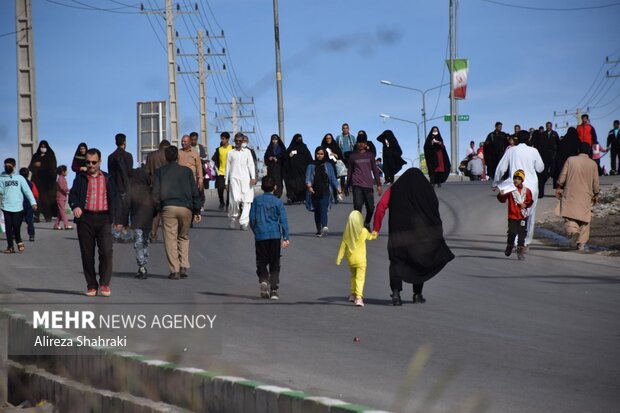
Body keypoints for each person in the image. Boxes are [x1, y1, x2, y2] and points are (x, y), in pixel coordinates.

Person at [373, 168, 454, 306]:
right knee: (419, 260)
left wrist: (376, 228)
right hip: (420, 234)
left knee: (396, 261)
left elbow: (381, 206)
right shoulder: (426, 190)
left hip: (398, 233)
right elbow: (434, 210)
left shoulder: (396, 188)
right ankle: (417, 295)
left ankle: (396, 294)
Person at [68, 148, 119, 297]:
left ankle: (104, 284)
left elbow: (115, 199)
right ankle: (91, 285)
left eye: (94, 162)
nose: (90, 165)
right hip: (85, 220)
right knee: (87, 254)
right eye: (88, 162)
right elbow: (73, 196)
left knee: (107, 251)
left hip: (104, 219)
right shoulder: (80, 178)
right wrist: (75, 206)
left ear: (100, 162)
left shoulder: (108, 178)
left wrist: (118, 219)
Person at [152, 146, 202, 279]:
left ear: (166, 158)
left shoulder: (160, 172)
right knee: (183, 237)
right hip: (186, 208)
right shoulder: (187, 171)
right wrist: (197, 210)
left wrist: (156, 208)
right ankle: (184, 266)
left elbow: (155, 193)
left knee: (170, 239)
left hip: (168, 208)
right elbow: (194, 192)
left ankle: (174, 270)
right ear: (178, 157)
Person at [493, 130, 544, 246]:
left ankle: (516, 240)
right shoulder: (533, 151)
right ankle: (526, 241)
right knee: (529, 214)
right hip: (531, 187)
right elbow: (540, 168)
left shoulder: (511, 151)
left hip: (515, 186)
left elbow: (501, 168)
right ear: (529, 139)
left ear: (516, 138)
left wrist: (495, 182)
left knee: (515, 213)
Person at [249, 176, 290, 300]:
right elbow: (283, 220)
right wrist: (286, 237)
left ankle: (263, 280)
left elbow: (252, 219)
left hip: (261, 236)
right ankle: (273, 290)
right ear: (275, 188)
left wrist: (256, 232)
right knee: (274, 262)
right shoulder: (277, 202)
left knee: (261, 261)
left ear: (261, 188)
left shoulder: (256, 201)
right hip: (274, 236)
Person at [555, 142, 600, 251]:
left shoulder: (571, 160)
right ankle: (581, 243)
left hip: (570, 192)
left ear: (578, 150)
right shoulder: (592, 164)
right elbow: (595, 182)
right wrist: (596, 193)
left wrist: (559, 186)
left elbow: (563, 176)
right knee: (584, 219)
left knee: (570, 215)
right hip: (586, 194)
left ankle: (573, 232)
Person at [119, 165, 156, 279]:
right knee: (145, 242)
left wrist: (124, 222)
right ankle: (144, 262)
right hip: (148, 220)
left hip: (137, 221)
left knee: (138, 243)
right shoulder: (150, 190)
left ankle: (142, 266)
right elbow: (156, 205)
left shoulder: (132, 190)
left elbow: (125, 207)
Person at [336, 210, 378, 307]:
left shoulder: (347, 233)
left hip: (351, 260)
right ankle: (359, 297)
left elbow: (343, 246)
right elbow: (371, 237)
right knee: (360, 278)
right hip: (361, 261)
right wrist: (375, 234)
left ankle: (352, 294)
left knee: (353, 276)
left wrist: (339, 259)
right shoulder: (363, 231)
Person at [346, 132, 383, 229]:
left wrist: (379, 184)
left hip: (368, 185)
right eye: (359, 142)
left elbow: (375, 170)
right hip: (356, 184)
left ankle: (366, 222)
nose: (361, 144)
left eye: (363, 142)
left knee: (371, 208)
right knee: (357, 206)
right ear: (356, 143)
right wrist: (346, 186)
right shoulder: (353, 156)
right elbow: (349, 172)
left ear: (366, 144)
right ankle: (358, 227)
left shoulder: (370, 155)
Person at [1, 158, 37, 254]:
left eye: (9, 166)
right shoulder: (2, 178)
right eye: (5, 165)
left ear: (14, 167)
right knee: (8, 228)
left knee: (16, 226)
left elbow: (27, 191)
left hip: (18, 207)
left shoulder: (20, 178)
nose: (7, 167)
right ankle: (10, 247)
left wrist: (33, 203)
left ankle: (18, 240)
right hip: (6, 206)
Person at [305, 147, 342, 237]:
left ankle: (324, 226)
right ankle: (319, 229)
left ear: (324, 154)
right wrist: (309, 186)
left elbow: (332, 178)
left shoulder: (328, 165)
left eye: (321, 154)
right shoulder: (311, 165)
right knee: (316, 211)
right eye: (318, 153)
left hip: (325, 191)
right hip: (314, 192)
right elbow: (308, 177)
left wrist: (338, 188)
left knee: (323, 209)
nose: (319, 155)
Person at [497, 169, 533, 260]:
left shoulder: (527, 191)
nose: (516, 180)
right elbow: (502, 199)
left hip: (522, 216)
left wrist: (526, 204)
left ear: (522, 180)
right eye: (515, 178)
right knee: (512, 232)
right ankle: (510, 245)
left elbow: (530, 201)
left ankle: (520, 250)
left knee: (522, 233)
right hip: (512, 215)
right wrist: (501, 195)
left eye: (518, 178)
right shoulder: (510, 190)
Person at [225, 133, 257, 230]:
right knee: (235, 200)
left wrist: (253, 177)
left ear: (243, 141)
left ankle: (244, 222)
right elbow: (228, 168)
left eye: (240, 141)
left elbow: (251, 165)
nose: (238, 142)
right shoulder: (230, 153)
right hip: (234, 179)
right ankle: (233, 218)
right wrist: (226, 182)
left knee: (247, 201)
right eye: (236, 141)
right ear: (234, 141)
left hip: (246, 180)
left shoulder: (247, 152)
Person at [145, 139, 170, 241]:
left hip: (154, 186)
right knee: (168, 212)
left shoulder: (151, 156)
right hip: (168, 187)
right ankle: (169, 236)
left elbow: (146, 172)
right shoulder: (169, 156)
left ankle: (153, 234)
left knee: (155, 213)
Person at [29, 140, 57, 222]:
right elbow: (30, 167)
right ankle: (36, 215)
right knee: (37, 199)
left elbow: (53, 167)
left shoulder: (51, 155)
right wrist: (35, 165)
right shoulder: (35, 156)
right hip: (37, 181)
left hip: (47, 182)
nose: (43, 148)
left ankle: (48, 216)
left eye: (45, 147)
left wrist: (42, 164)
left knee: (46, 199)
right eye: (42, 146)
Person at [284, 133, 312, 204]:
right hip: (293, 171)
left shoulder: (304, 147)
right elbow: (286, 158)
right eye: (297, 139)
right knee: (292, 184)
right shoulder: (290, 148)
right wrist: (289, 156)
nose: (299, 140)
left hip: (303, 170)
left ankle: (303, 198)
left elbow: (309, 157)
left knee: (302, 184)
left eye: (300, 138)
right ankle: (291, 198)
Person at [534, 122, 560, 198]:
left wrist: (556, 153)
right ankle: (541, 192)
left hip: (552, 155)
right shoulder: (543, 134)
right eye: (547, 126)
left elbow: (558, 143)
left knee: (553, 172)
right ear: (546, 126)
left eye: (550, 126)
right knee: (543, 174)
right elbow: (540, 144)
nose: (548, 127)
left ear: (551, 126)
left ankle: (550, 176)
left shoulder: (554, 133)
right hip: (544, 155)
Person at [178, 134, 204, 199]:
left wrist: (200, 180)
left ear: (189, 142)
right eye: (182, 141)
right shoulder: (178, 152)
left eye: (185, 141)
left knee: (192, 195)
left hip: (192, 178)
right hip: (181, 179)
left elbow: (199, 167)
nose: (183, 143)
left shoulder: (195, 153)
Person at [212, 132, 233, 210]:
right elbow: (214, 159)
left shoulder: (232, 148)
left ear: (227, 139)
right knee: (220, 188)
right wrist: (215, 167)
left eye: (223, 139)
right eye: (221, 138)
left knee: (229, 190)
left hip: (230, 173)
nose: (222, 140)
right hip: (221, 172)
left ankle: (228, 203)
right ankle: (221, 202)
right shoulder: (219, 149)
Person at [320, 133, 343, 202]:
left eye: (329, 138)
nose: (328, 140)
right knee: (325, 181)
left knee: (333, 180)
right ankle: (327, 197)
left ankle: (335, 196)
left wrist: (334, 154)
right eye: (327, 138)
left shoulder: (335, 146)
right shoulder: (323, 146)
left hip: (333, 165)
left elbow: (340, 156)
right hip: (325, 165)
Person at [264, 134, 287, 198]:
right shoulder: (269, 148)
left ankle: (278, 195)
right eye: (273, 139)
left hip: (279, 168)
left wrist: (278, 160)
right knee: (271, 181)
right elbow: (266, 156)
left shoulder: (281, 148)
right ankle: (272, 195)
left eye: (275, 139)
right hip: (271, 168)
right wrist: (269, 158)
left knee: (278, 182)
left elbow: (284, 157)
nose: (274, 141)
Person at [18, 167, 38, 242]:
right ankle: (31, 235)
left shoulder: (18, 183)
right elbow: (36, 194)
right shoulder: (31, 183)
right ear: (28, 174)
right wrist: (34, 202)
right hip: (29, 204)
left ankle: (15, 235)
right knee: (30, 221)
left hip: (19, 204)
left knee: (18, 221)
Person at [336, 123, 356, 195]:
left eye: (346, 128)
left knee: (350, 172)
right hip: (341, 157)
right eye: (344, 128)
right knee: (342, 174)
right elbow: (336, 147)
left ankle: (349, 186)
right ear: (342, 129)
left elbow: (355, 147)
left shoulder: (352, 138)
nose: (345, 129)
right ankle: (344, 188)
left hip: (350, 157)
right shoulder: (338, 137)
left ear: (348, 129)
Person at [189, 131, 210, 198]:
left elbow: (204, 158)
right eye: (192, 140)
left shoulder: (200, 147)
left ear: (197, 139)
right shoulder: (188, 148)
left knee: (200, 185)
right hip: (190, 170)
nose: (193, 141)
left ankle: (201, 201)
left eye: (195, 140)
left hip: (200, 169)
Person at [53, 165, 72, 230]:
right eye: (66, 171)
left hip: (63, 197)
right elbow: (62, 187)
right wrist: (68, 191)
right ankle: (66, 225)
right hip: (60, 197)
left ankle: (56, 225)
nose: (67, 172)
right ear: (62, 171)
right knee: (63, 211)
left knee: (60, 212)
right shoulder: (60, 179)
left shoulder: (63, 178)